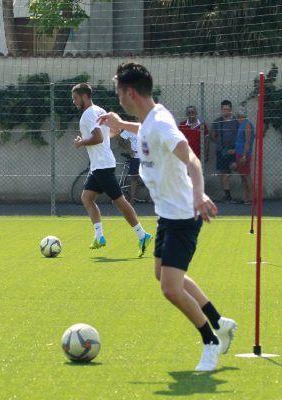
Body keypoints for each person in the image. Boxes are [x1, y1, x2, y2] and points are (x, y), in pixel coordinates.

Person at [97, 62, 236, 372]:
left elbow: (193, 160)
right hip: (167, 216)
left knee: (170, 288)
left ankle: (210, 341)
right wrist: (121, 123)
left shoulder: (160, 123)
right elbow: (145, 132)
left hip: (184, 215)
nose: (118, 98)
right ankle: (220, 322)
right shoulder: (149, 120)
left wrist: (199, 194)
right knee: (164, 275)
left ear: (129, 92)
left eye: (119, 94)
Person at [71, 83, 151, 257]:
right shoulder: (99, 111)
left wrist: (81, 142)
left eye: (75, 98)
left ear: (84, 96)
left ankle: (142, 234)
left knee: (119, 201)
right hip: (99, 165)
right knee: (87, 197)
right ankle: (99, 236)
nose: (74, 102)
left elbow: (98, 138)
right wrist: (89, 139)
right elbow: (114, 131)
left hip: (102, 165)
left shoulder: (88, 114)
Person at [211, 100, 238, 202]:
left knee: (234, 167)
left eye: (227, 109)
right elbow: (213, 136)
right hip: (221, 151)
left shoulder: (236, 121)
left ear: (231, 110)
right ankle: (227, 195)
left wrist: (235, 149)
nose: (225, 111)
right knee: (224, 173)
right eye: (224, 109)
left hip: (234, 151)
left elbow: (240, 136)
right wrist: (220, 144)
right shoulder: (218, 121)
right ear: (221, 110)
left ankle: (246, 195)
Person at [231, 109, 255, 205]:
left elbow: (247, 141)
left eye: (238, 116)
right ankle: (245, 198)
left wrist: (244, 155)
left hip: (244, 154)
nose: (237, 118)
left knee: (247, 176)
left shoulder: (247, 125)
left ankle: (253, 198)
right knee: (243, 177)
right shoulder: (241, 125)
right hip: (239, 152)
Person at [116, 128, 141, 204]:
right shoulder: (132, 128)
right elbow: (120, 139)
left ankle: (156, 200)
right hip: (136, 156)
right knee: (134, 178)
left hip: (148, 157)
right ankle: (132, 199)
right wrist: (129, 150)